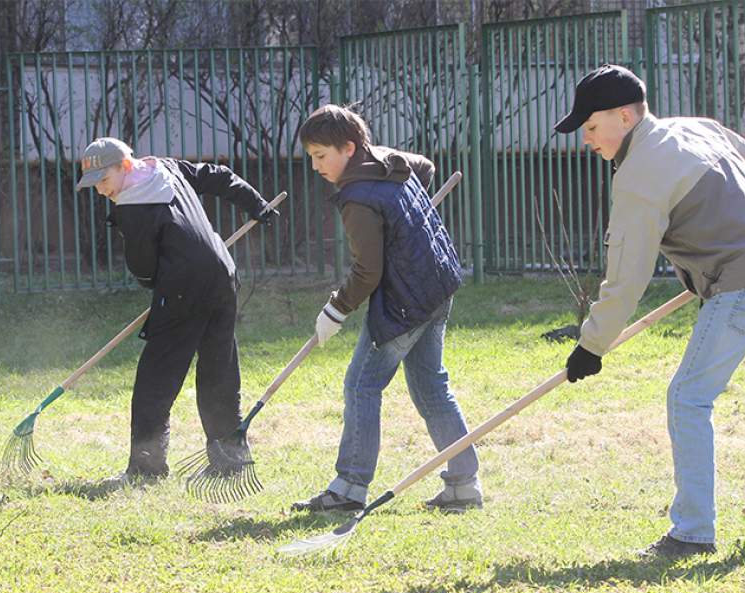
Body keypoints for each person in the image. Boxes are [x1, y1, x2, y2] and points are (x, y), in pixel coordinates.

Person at [554, 65, 745, 558]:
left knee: (688, 399)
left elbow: (626, 277)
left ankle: (692, 532)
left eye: (591, 127)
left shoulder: (638, 176)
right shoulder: (695, 127)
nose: (587, 140)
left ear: (626, 115)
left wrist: (591, 345)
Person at [290, 104, 482, 513]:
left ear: (349, 147)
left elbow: (367, 271)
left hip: (407, 300)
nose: (316, 166)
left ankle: (348, 489)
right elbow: (426, 167)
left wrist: (335, 310)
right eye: (311, 157)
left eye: (322, 156)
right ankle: (463, 486)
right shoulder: (390, 162)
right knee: (432, 387)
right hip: (438, 282)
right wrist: (408, 222)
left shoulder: (357, 198)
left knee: (361, 385)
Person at [75, 137, 275, 488]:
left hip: (183, 289)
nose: (101, 192)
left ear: (124, 166)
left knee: (156, 378)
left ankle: (146, 468)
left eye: (103, 181)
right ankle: (230, 458)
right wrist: (254, 203)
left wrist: (161, 291)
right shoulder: (166, 167)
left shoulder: (132, 208)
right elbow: (217, 175)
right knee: (219, 368)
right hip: (223, 276)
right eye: (94, 186)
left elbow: (143, 267)